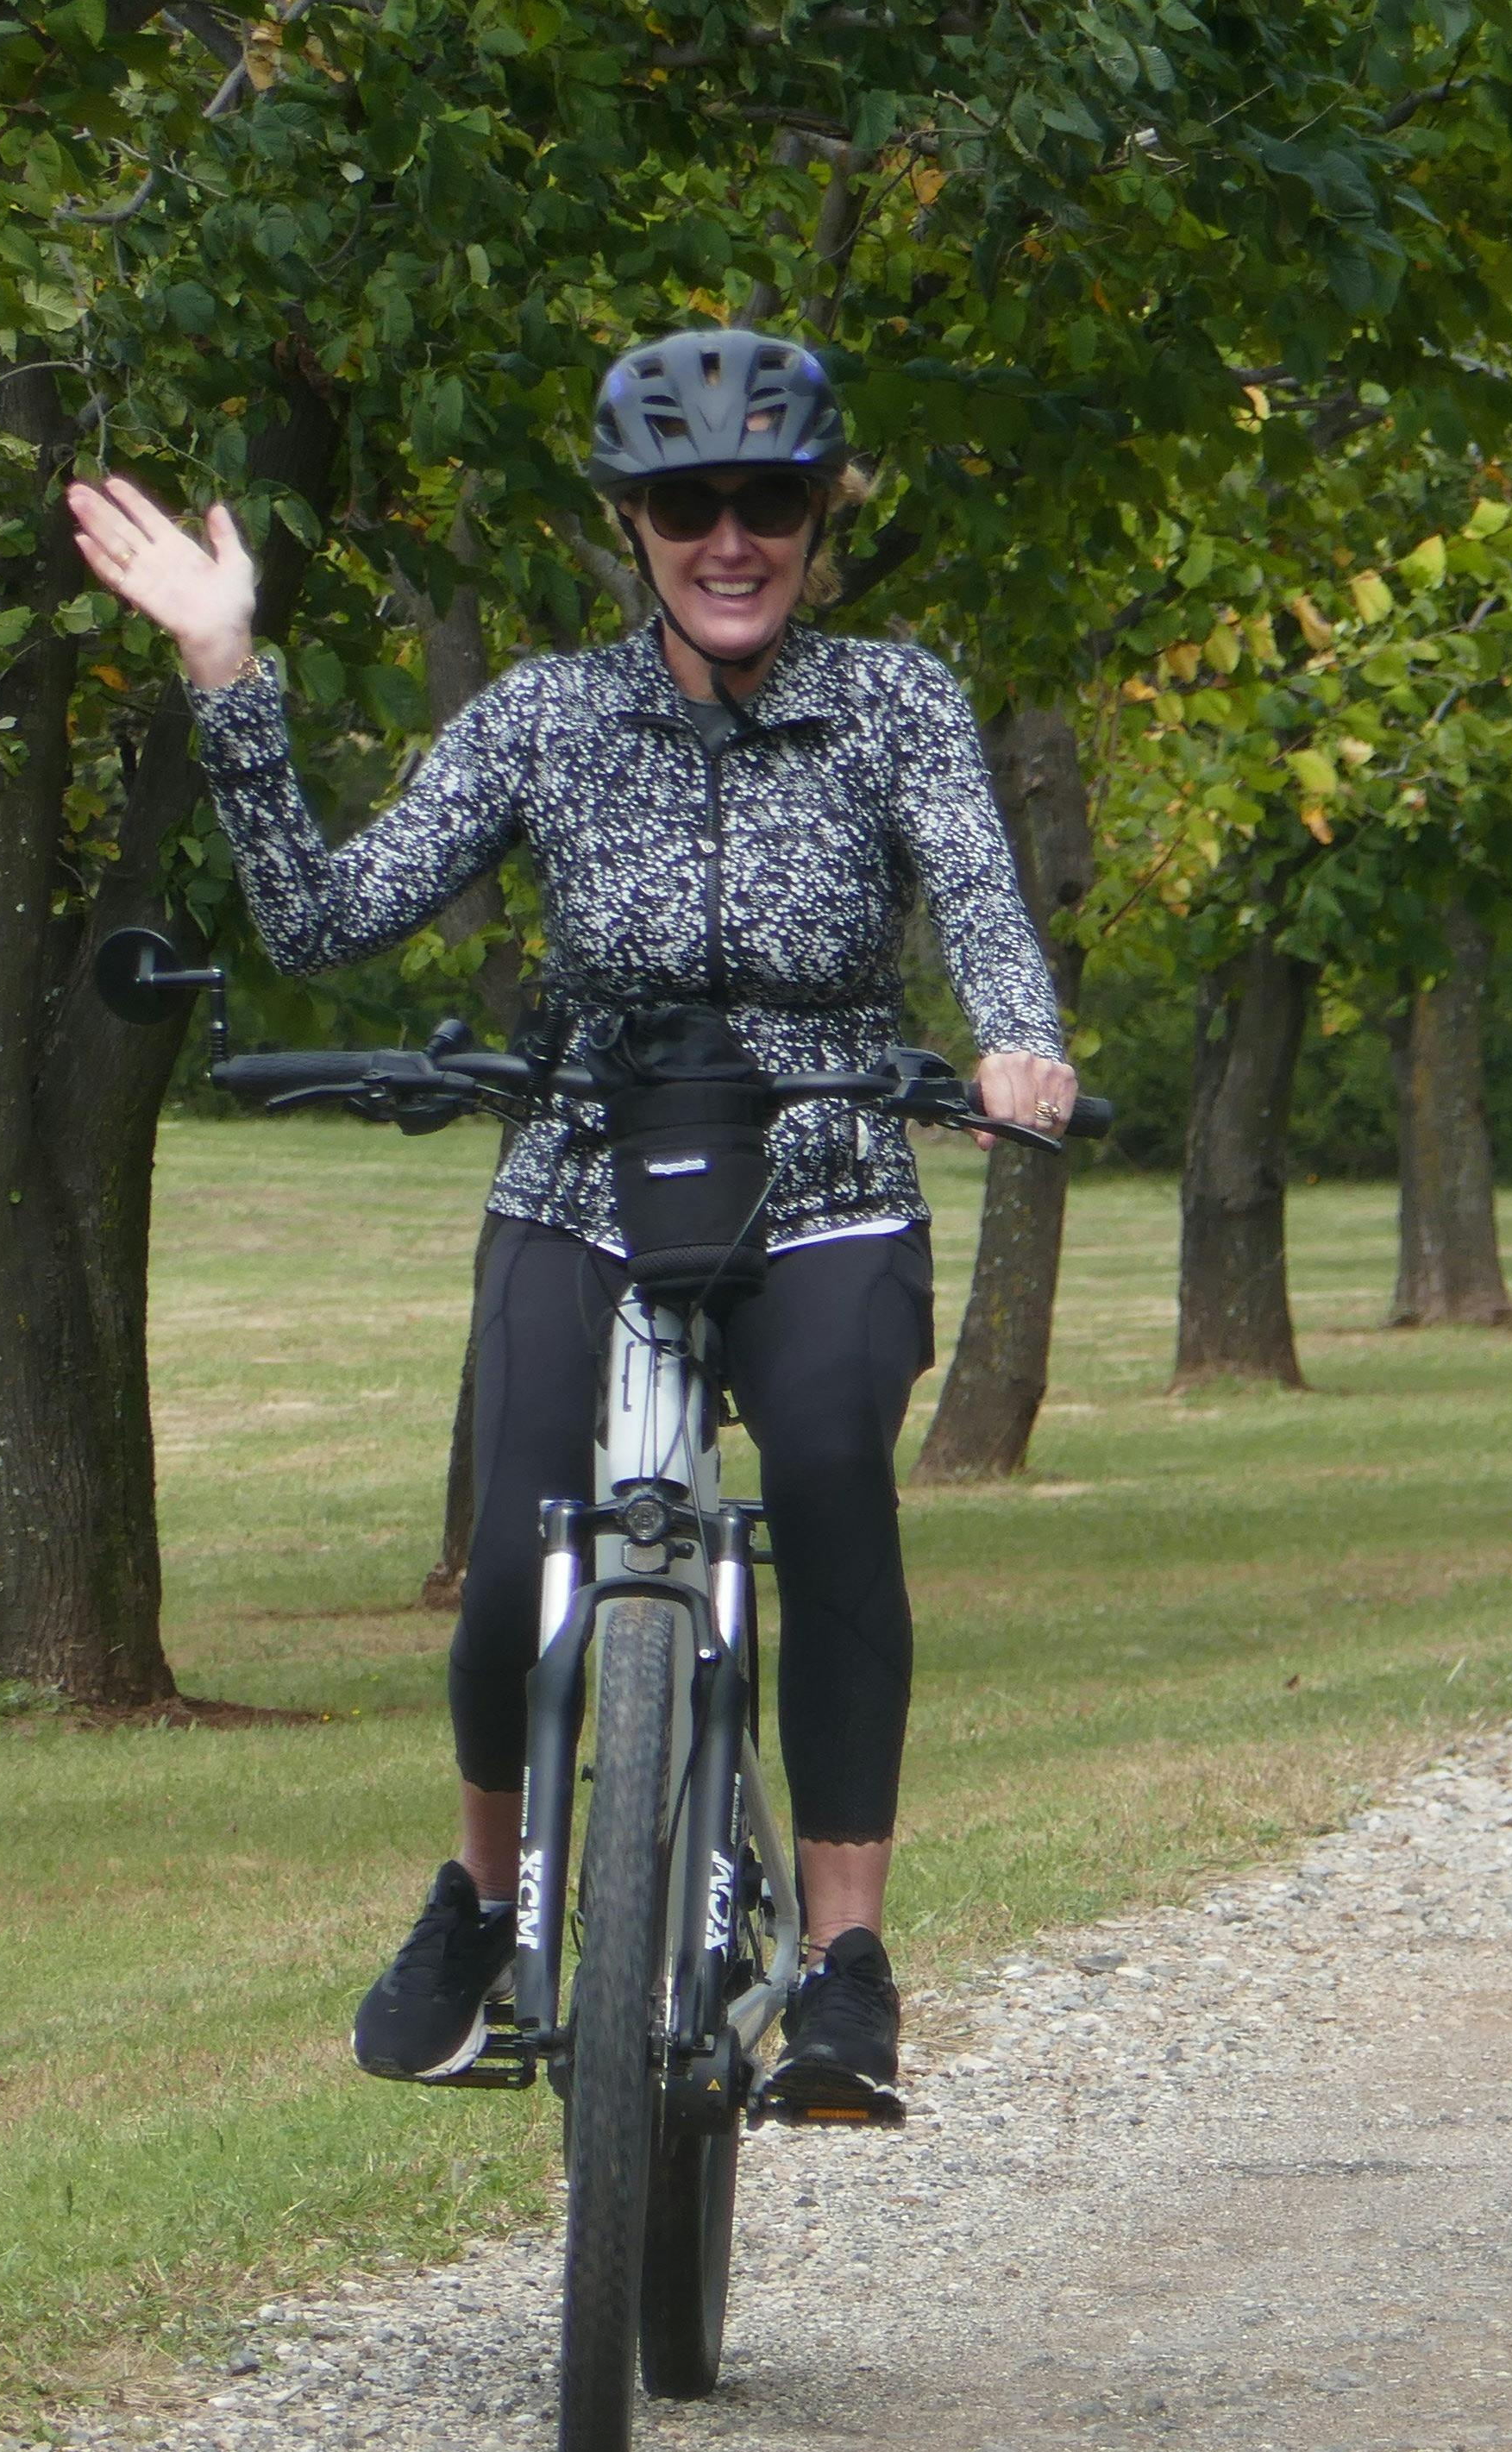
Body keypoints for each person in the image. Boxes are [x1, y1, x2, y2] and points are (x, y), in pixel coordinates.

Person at [70, 327, 1077, 2120]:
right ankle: (482, 1900)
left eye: (768, 501)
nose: (730, 539)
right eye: (687, 505)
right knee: (523, 1526)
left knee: (837, 1474)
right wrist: (228, 670)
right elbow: (319, 916)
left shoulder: (899, 699)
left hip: (830, 1161)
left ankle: (846, 1970)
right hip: (586, 1159)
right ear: (631, 525)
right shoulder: (546, 713)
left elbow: (984, 898)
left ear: (820, 515)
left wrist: (1017, 1041)